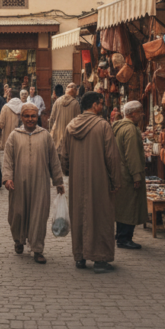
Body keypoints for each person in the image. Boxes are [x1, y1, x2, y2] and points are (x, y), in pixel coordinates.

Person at [60, 92, 124, 273]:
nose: (102, 107)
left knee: (79, 215)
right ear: (95, 105)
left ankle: (79, 256)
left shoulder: (71, 126)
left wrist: (68, 171)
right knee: (100, 216)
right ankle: (100, 259)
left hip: (77, 181)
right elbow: (112, 157)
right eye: (100, 104)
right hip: (100, 181)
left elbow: (64, 155)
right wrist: (116, 181)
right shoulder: (103, 126)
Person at [1, 103, 65, 264]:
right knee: (17, 214)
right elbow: (7, 159)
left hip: (40, 183)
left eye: (33, 116)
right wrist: (7, 178)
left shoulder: (45, 136)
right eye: (27, 116)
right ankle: (18, 240)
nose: (30, 119)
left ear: (37, 117)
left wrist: (58, 181)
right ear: (21, 117)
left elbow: (54, 161)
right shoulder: (14, 136)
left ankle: (37, 248)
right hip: (18, 184)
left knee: (39, 215)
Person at [112, 101, 148, 249]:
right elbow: (132, 155)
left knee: (122, 206)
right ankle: (124, 238)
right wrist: (137, 176)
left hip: (118, 172)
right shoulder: (131, 130)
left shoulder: (118, 126)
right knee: (130, 205)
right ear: (132, 113)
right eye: (140, 111)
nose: (142, 114)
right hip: (127, 173)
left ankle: (120, 235)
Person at [48, 83, 81, 151]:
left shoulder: (57, 101)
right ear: (75, 91)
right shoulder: (75, 103)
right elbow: (78, 123)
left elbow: (51, 119)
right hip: (70, 141)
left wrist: (52, 131)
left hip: (57, 139)